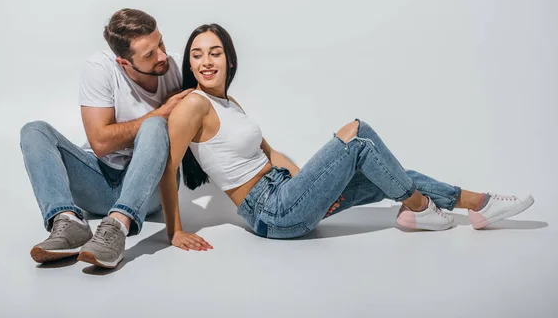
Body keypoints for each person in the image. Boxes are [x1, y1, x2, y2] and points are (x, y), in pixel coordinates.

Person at [157, 23, 535, 251]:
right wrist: (174, 231)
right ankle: (420, 210)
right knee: (357, 135)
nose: (206, 61)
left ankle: (479, 205)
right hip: (271, 214)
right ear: (189, 64)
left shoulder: (229, 102)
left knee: (387, 171)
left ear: (230, 60)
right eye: (197, 55)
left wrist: (313, 187)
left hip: (288, 197)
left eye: (215, 52)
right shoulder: (193, 105)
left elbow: (271, 155)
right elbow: (166, 168)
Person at [20, 8, 193, 267]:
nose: (162, 55)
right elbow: (100, 143)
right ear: (123, 62)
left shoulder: (176, 67)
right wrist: (163, 111)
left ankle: (117, 227)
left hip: (149, 190)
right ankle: (68, 223)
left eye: (161, 42)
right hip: (97, 182)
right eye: (149, 54)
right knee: (33, 130)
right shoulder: (100, 68)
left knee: (156, 125)